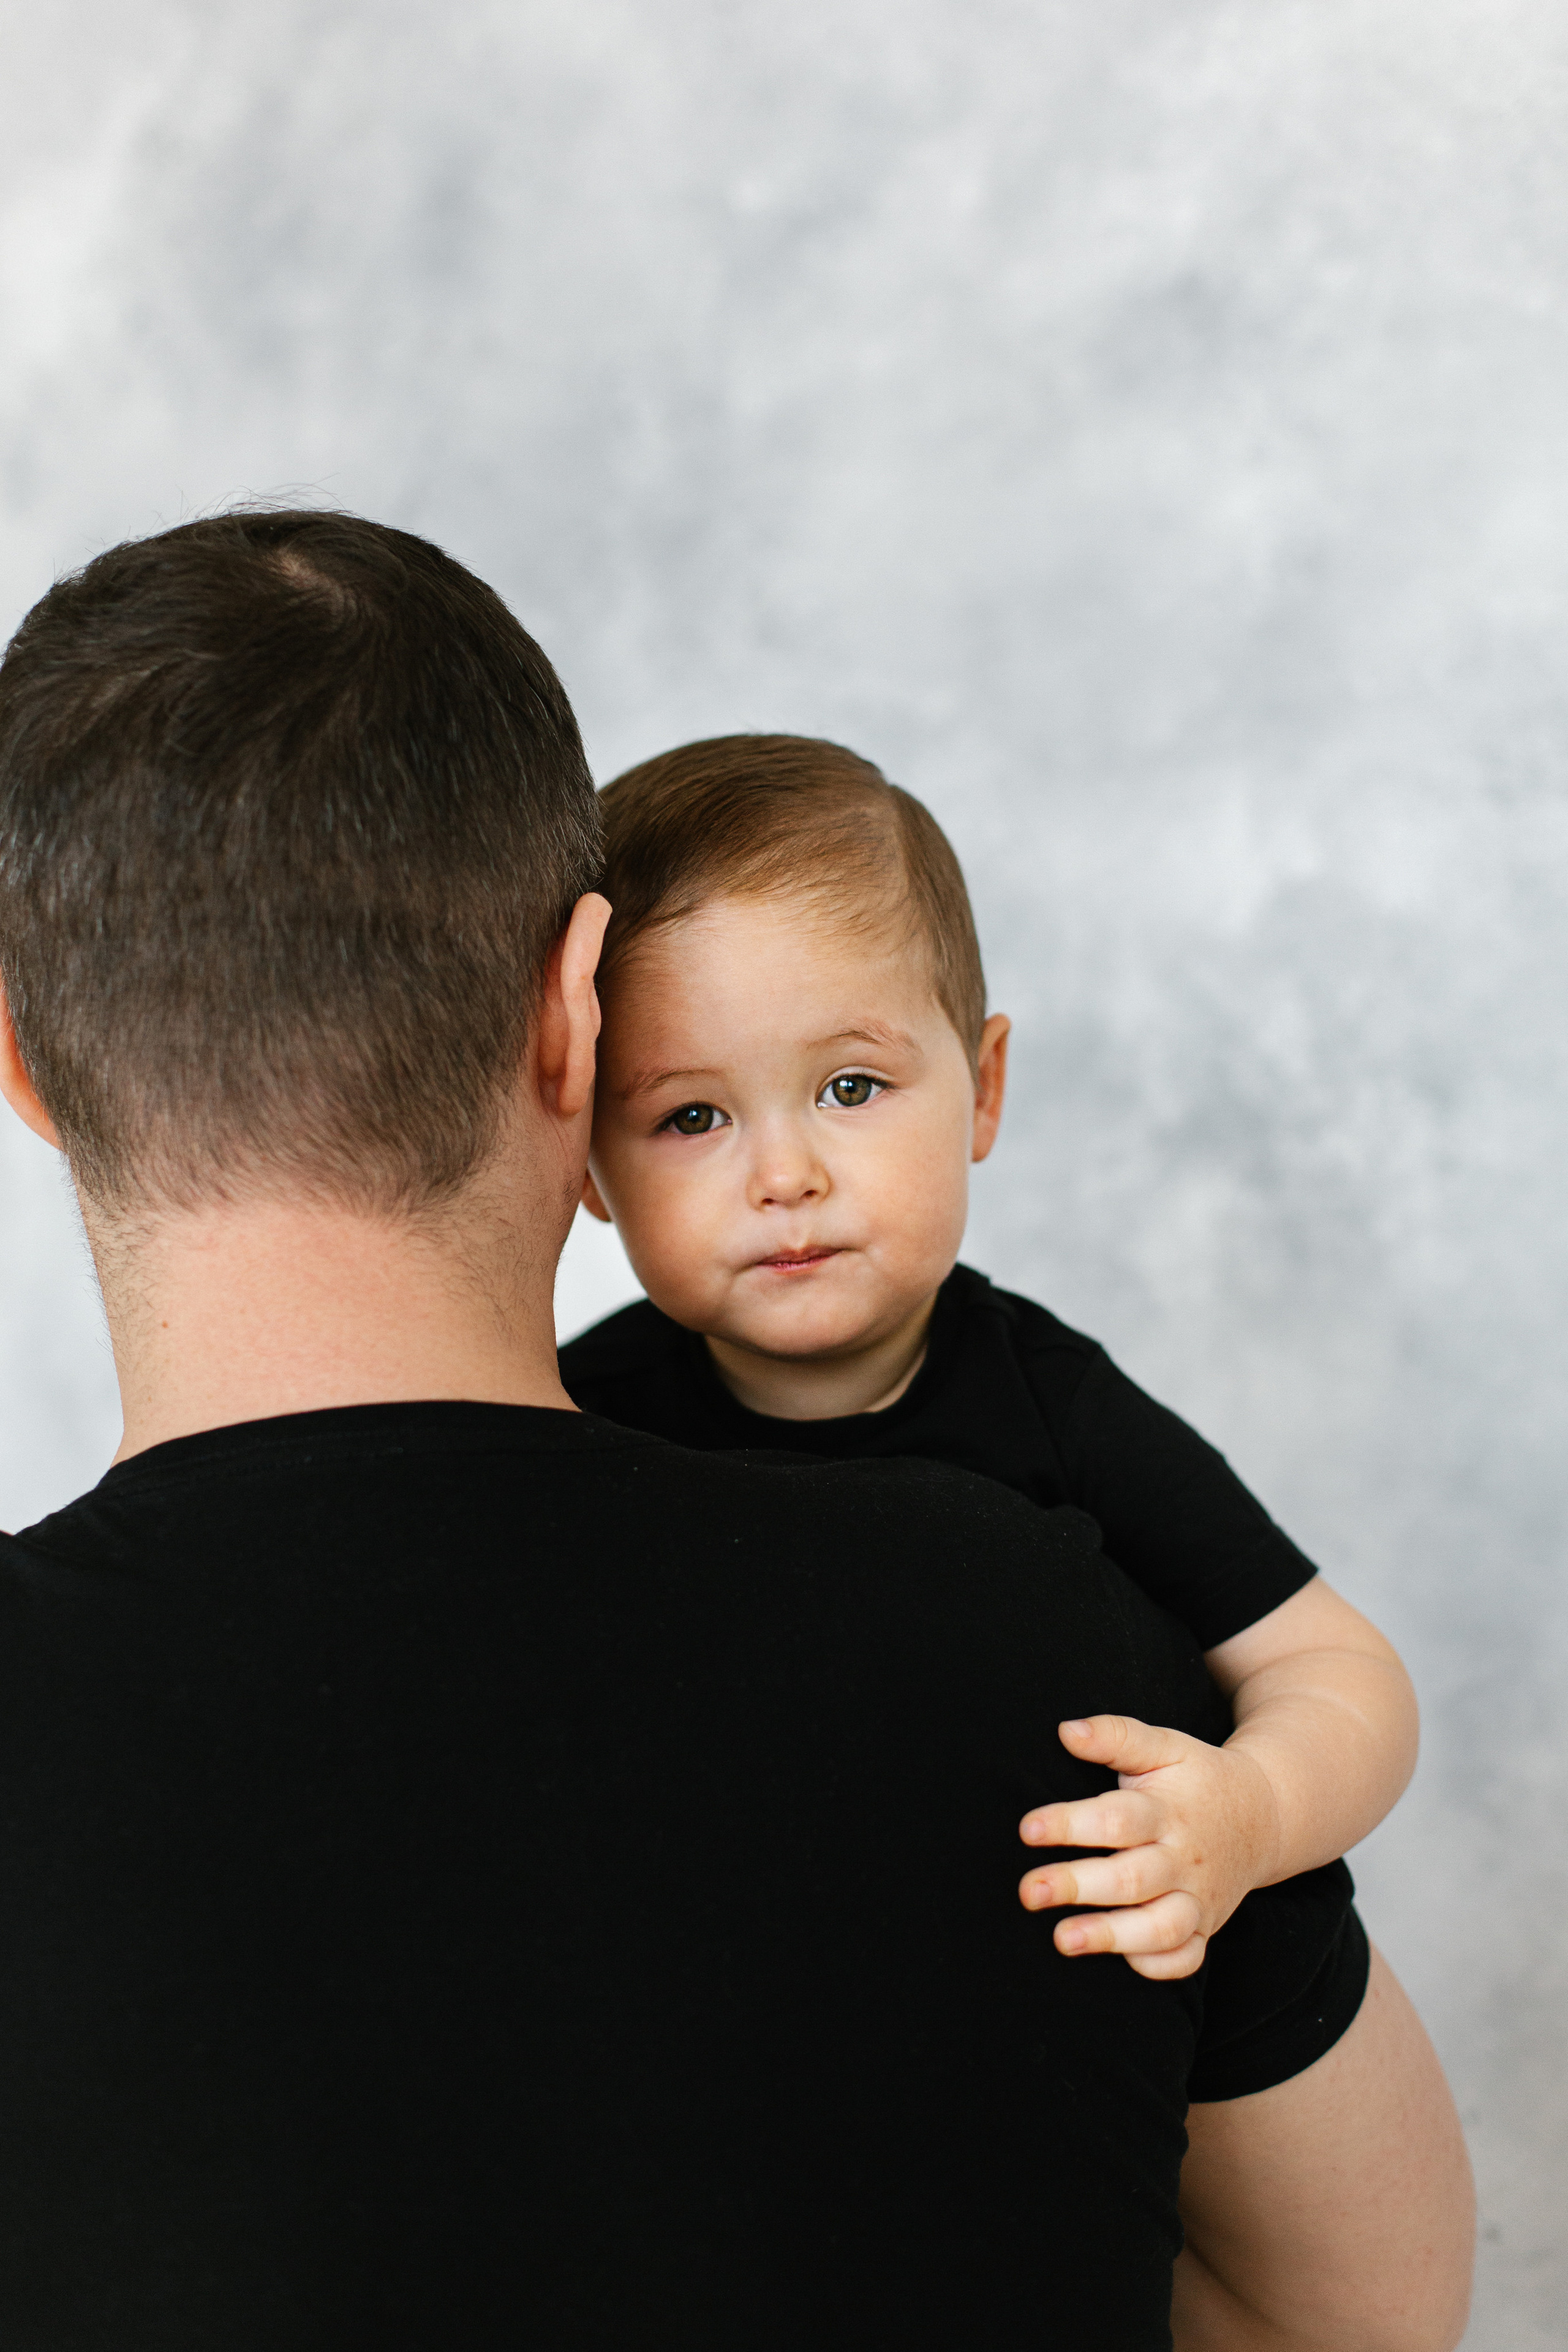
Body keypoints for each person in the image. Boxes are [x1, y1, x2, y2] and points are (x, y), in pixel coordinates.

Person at [0, 513, 1467, 2351]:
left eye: (851, 1086)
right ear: (575, 1020)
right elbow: (1362, 2319)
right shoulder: (1069, 1662)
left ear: (25, 1067)